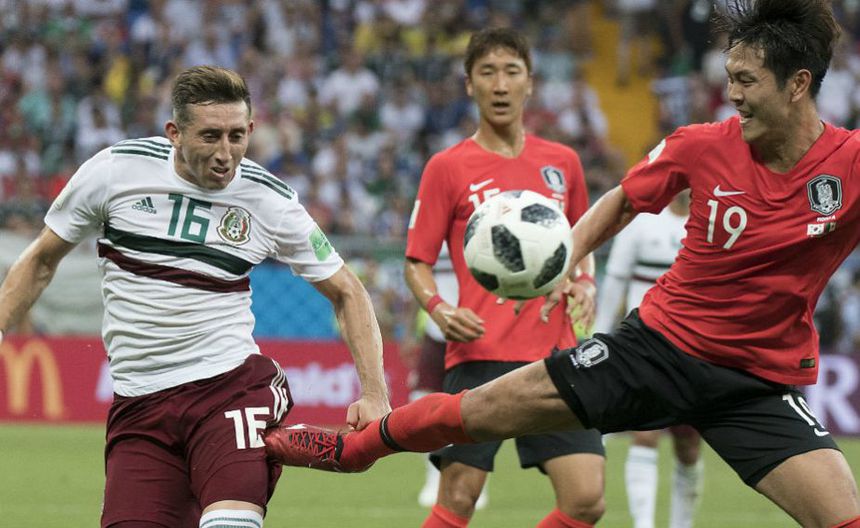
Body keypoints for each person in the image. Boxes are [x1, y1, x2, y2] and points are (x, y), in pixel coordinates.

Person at [266, 1, 860, 525]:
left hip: (754, 383)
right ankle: (357, 448)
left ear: (797, 84)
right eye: (729, 78)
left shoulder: (849, 166)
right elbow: (623, 200)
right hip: (654, 351)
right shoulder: (703, 144)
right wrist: (562, 261)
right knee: (477, 411)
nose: (731, 94)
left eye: (746, 80)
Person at [0, 65, 391, 528]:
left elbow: (347, 290)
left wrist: (375, 393)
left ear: (251, 130)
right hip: (140, 405)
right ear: (174, 133)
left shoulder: (269, 200)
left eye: (236, 136)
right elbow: (42, 260)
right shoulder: (114, 172)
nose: (226, 153)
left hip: (229, 390)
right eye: (210, 136)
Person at [303, 27, 609, 528]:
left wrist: (586, 283)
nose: (500, 84)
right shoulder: (448, 167)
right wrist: (439, 308)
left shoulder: (563, 163)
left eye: (511, 71)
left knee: (587, 499)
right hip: (480, 351)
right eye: (487, 72)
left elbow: (583, 241)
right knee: (459, 498)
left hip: (555, 352)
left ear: (530, 82)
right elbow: (416, 261)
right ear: (469, 84)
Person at [593, 191, 703, 528]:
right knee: (645, 433)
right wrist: (600, 332)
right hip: (644, 344)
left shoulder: (710, 222)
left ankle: (681, 524)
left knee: (688, 445)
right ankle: (644, 524)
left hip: (695, 346)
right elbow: (616, 278)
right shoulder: (641, 223)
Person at [408, 243, 490, 511]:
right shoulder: (431, 234)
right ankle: (434, 476)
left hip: (474, 329)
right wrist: (410, 331)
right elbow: (416, 279)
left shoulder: (482, 230)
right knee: (422, 402)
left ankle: (475, 476)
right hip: (436, 330)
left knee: (473, 408)